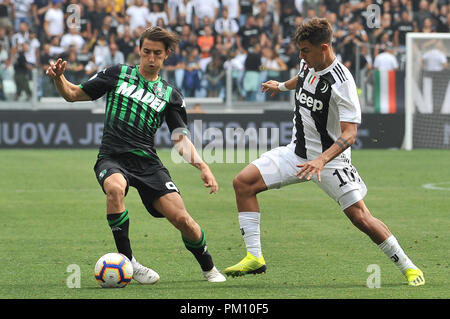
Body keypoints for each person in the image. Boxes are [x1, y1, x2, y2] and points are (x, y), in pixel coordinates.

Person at [224, 18, 425, 287]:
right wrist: (282, 86)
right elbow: (305, 77)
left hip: (331, 161)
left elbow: (350, 134)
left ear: (324, 47)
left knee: (360, 217)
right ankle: (254, 257)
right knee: (243, 183)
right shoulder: (309, 63)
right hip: (295, 154)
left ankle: (408, 267)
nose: (300, 56)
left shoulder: (342, 83)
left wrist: (321, 160)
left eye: (305, 50)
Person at [45, 26, 226, 284]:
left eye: (157, 54)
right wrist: (58, 79)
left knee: (183, 220)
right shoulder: (117, 74)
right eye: (146, 52)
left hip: (148, 164)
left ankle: (209, 268)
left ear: (166, 56)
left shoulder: (170, 95)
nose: (151, 58)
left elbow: (180, 139)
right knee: (115, 189)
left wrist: (202, 166)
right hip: (112, 157)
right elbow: (73, 94)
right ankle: (128, 261)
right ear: (139, 51)